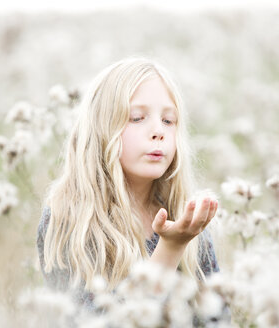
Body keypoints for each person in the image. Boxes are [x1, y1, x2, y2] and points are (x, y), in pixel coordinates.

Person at [36, 56, 220, 301]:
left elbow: (217, 318)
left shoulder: (185, 218)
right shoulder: (69, 221)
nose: (158, 132)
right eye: (136, 118)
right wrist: (171, 247)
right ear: (101, 129)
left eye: (168, 121)